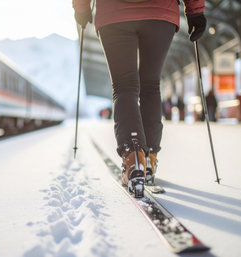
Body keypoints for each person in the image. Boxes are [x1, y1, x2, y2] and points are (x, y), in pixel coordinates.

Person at [73, 0, 206, 195]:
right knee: (151, 85)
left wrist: (82, 8)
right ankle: (149, 158)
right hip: (159, 13)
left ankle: (133, 157)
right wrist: (195, 11)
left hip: (113, 13)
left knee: (123, 87)